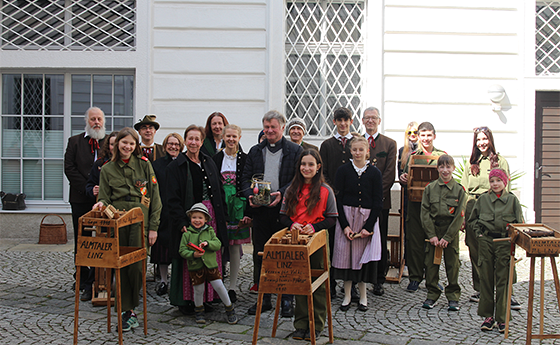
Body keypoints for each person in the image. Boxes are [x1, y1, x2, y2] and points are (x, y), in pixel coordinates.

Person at [93, 127, 162, 332]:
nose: (128, 147)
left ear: (135, 146)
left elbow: (155, 198)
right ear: (116, 144)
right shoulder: (107, 169)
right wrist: (100, 204)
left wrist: (153, 228)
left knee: (137, 268)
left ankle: (130, 309)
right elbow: (104, 196)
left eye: (132, 144)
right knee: (120, 267)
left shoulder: (144, 165)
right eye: (124, 143)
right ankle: (127, 312)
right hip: (117, 221)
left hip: (139, 220)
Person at [241, 110, 302, 316]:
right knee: (261, 254)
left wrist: (281, 193)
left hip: (284, 211)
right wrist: (250, 196)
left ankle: (286, 299)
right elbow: (245, 178)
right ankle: (264, 298)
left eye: (273, 127)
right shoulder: (255, 151)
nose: (269, 131)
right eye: (266, 127)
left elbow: (298, 179)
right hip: (260, 213)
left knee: (286, 255)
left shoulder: (295, 151)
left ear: (282, 128)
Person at [166, 125, 229, 315]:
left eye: (197, 139)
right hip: (189, 220)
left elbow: (218, 190)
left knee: (209, 255)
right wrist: (181, 223)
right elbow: (172, 199)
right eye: (190, 138)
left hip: (211, 217)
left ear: (202, 141)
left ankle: (208, 298)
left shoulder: (209, 161)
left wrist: (222, 217)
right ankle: (187, 300)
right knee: (190, 258)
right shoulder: (175, 166)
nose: (193, 142)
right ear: (185, 141)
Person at [279, 149, 337, 341]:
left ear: (318, 167)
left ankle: (317, 324)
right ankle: (301, 324)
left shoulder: (325, 191)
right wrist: (291, 223)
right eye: (303, 164)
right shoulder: (291, 189)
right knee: (299, 283)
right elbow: (282, 216)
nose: (306, 168)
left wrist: (314, 226)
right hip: (296, 240)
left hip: (317, 241)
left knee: (318, 284)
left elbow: (332, 219)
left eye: (311, 164)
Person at [461, 126, 517, 307]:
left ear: (490, 140)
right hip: (473, 209)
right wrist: (462, 216)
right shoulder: (472, 163)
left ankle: (508, 292)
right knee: (476, 251)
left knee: (501, 252)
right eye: (478, 140)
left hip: (494, 210)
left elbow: (506, 189)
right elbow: (464, 190)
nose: (481, 143)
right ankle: (481, 289)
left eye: (484, 139)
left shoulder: (499, 161)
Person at [332, 136, 383, 312]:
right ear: (350, 151)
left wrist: (368, 227)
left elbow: (377, 202)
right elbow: (337, 199)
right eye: (355, 150)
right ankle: (346, 295)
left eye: (361, 150)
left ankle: (363, 296)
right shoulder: (343, 171)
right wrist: (344, 225)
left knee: (361, 259)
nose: (358, 153)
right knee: (346, 257)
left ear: (367, 151)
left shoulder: (375, 173)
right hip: (347, 217)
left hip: (365, 220)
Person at [469, 168, 523, 333]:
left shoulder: (512, 201)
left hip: (504, 243)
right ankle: (488, 317)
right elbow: (473, 220)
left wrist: (514, 240)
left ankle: (502, 318)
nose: (495, 184)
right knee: (486, 279)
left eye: (498, 181)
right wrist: (479, 234)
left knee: (502, 280)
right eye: (492, 181)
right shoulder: (483, 199)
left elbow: (519, 223)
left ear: (504, 182)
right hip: (486, 242)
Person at [64, 106, 107, 302]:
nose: (96, 122)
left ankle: (98, 277)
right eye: (92, 119)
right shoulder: (74, 142)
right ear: (86, 121)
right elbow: (69, 169)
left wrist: (101, 190)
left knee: (101, 240)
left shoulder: (109, 142)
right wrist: (89, 189)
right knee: (82, 239)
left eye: (99, 119)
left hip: (104, 201)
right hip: (81, 199)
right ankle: (81, 277)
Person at [399, 122, 445, 292]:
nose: (425, 139)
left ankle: (432, 279)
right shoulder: (412, 156)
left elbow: (447, 178)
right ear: (418, 136)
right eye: (422, 135)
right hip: (415, 206)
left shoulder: (441, 156)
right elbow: (405, 176)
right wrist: (404, 178)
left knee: (433, 244)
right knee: (415, 243)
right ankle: (415, 278)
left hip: (435, 208)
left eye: (429, 135)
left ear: (434, 136)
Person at [178, 203, 238, 325]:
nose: (197, 220)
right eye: (194, 217)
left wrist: (208, 244)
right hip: (196, 267)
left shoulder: (210, 231)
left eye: (200, 218)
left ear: (206, 219)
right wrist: (192, 255)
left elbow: (217, 244)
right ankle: (199, 311)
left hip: (211, 266)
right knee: (198, 290)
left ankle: (229, 308)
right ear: (190, 218)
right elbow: (182, 250)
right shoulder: (187, 234)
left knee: (220, 287)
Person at [420, 155, 466, 311]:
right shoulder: (430, 188)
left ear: (453, 168)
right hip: (434, 231)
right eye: (442, 167)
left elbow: (460, 215)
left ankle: (453, 296)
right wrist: (431, 235)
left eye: (448, 167)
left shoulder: (459, 190)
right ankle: (432, 294)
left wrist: (448, 237)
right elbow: (425, 212)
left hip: (450, 232)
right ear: (437, 169)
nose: (445, 170)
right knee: (431, 265)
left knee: (452, 265)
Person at [319, 107, 356, 298]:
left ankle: (352, 285)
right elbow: (322, 171)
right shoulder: (327, 145)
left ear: (350, 121)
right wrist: (331, 190)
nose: (342, 124)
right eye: (339, 120)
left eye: (346, 120)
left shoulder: (356, 143)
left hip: (352, 200)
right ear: (334, 122)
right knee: (332, 241)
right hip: (331, 199)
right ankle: (331, 283)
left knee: (352, 242)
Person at [212, 124, 251, 303]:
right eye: (228, 136)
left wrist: (247, 211)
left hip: (237, 207)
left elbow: (249, 185)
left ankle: (233, 286)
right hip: (220, 206)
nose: (231, 139)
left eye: (234, 136)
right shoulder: (216, 158)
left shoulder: (245, 159)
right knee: (218, 245)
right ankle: (217, 284)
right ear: (223, 137)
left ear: (239, 138)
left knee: (235, 247)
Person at [361, 107, 397, 296]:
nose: (370, 121)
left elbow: (389, 174)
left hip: (380, 201)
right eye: (367, 118)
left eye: (373, 118)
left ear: (379, 120)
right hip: (359, 201)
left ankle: (378, 280)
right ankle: (358, 278)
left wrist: (374, 197)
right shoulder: (356, 142)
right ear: (362, 120)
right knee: (359, 241)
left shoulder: (389, 144)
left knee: (379, 240)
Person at [151, 133, 184, 296]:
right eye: (170, 144)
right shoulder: (156, 165)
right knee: (163, 250)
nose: (173, 147)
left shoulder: (184, 163)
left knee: (179, 248)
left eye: (177, 144)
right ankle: (163, 281)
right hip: (162, 212)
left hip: (179, 211)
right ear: (165, 146)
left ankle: (179, 281)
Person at [397, 121, 419, 274]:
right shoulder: (402, 151)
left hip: (422, 196)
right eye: (409, 133)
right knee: (408, 232)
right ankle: (407, 262)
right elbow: (399, 173)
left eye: (415, 132)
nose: (412, 136)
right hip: (407, 195)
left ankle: (421, 265)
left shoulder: (423, 150)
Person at [86, 131, 118, 199]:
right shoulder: (100, 163)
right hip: (105, 203)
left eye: (117, 144)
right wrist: (93, 190)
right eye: (112, 144)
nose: (115, 147)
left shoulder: (130, 163)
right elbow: (89, 186)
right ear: (108, 146)